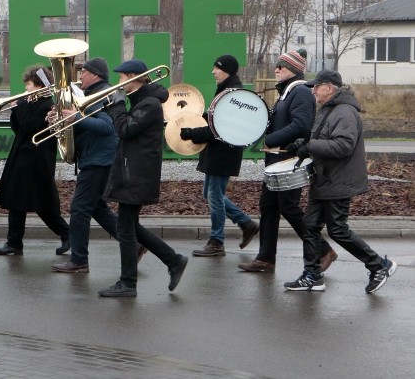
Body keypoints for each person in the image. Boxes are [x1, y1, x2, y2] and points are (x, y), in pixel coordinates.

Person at [284, 69, 397, 293]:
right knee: (309, 226)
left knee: (338, 230)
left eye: (317, 86)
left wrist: (311, 146)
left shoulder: (345, 112)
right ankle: (312, 275)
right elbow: (321, 139)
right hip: (325, 179)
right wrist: (301, 145)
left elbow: (343, 146)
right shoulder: (330, 109)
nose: (313, 91)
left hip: (338, 181)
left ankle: (379, 265)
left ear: (330, 88)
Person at [239, 51, 336, 273]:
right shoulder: (287, 93)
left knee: (289, 208)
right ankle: (265, 258)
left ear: (293, 70)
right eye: (277, 66)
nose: (276, 69)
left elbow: (301, 125)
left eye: (281, 67)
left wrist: (271, 138)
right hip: (276, 161)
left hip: (289, 160)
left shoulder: (300, 91)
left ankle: (324, 250)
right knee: (268, 207)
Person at [98, 59, 188, 297]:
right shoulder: (142, 101)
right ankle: (173, 260)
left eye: (121, 78)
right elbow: (127, 127)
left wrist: (116, 105)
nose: (119, 83)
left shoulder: (149, 104)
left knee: (126, 228)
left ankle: (128, 283)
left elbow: (125, 130)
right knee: (128, 225)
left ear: (132, 77)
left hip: (136, 173)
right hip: (133, 170)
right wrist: (114, 107)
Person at [180, 54, 259, 257]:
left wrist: (191, 133)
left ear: (228, 71)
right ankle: (246, 223)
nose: (213, 71)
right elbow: (212, 120)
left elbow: (217, 129)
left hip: (223, 153)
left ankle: (217, 241)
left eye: (217, 68)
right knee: (210, 194)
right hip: (219, 152)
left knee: (215, 196)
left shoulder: (232, 95)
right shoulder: (226, 90)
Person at [0, 65, 71, 256]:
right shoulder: (30, 103)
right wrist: (15, 111)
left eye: (29, 84)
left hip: (36, 159)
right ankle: (14, 242)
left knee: (41, 203)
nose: (26, 88)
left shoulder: (47, 105)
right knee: (16, 200)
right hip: (23, 156)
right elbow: (19, 129)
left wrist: (19, 107)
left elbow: (31, 126)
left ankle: (68, 234)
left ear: (38, 85)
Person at [50, 57, 120, 273]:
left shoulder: (103, 94)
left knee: (79, 209)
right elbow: (85, 122)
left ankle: (79, 260)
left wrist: (75, 119)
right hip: (95, 156)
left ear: (96, 75)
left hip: (99, 159)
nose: (80, 76)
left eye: (84, 73)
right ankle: (134, 243)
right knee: (97, 207)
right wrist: (58, 118)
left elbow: (108, 127)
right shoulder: (88, 95)